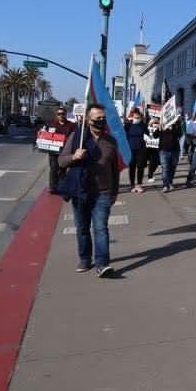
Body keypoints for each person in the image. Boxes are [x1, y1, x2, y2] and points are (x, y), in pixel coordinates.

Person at [58, 103, 119, 277]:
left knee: (101, 228)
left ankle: (102, 264)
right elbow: (61, 161)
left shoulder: (111, 141)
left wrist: (114, 192)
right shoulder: (77, 138)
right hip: (81, 192)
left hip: (103, 192)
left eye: (103, 118)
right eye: (97, 118)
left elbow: (114, 169)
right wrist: (74, 156)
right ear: (88, 120)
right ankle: (85, 258)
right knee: (82, 228)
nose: (101, 121)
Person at [45, 107, 76, 194]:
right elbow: (45, 135)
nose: (61, 115)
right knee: (53, 169)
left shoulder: (71, 125)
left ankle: (61, 186)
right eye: (59, 114)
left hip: (65, 151)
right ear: (56, 115)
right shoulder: (51, 125)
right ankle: (52, 188)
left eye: (62, 113)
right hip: (53, 151)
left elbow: (75, 136)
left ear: (65, 114)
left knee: (62, 169)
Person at [156, 117, 183, 193]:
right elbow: (155, 135)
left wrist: (174, 128)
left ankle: (170, 182)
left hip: (175, 150)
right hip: (163, 150)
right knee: (165, 168)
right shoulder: (162, 125)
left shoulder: (176, 125)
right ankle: (165, 185)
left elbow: (180, 134)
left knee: (172, 167)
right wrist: (159, 129)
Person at [124, 108, 148, 193]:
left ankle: (139, 184)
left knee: (140, 167)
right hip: (131, 149)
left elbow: (148, 133)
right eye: (135, 117)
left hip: (141, 149)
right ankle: (132, 185)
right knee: (132, 167)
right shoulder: (128, 125)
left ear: (141, 118)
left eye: (138, 117)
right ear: (132, 117)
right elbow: (123, 134)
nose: (136, 119)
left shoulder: (143, 125)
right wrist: (127, 122)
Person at [144, 116, 161, 183]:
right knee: (152, 162)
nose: (155, 123)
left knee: (156, 163)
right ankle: (150, 176)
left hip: (157, 147)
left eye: (156, 122)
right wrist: (150, 124)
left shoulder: (160, 129)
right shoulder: (147, 128)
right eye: (154, 122)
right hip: (150, 147)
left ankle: (152, 171)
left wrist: (159, 127)